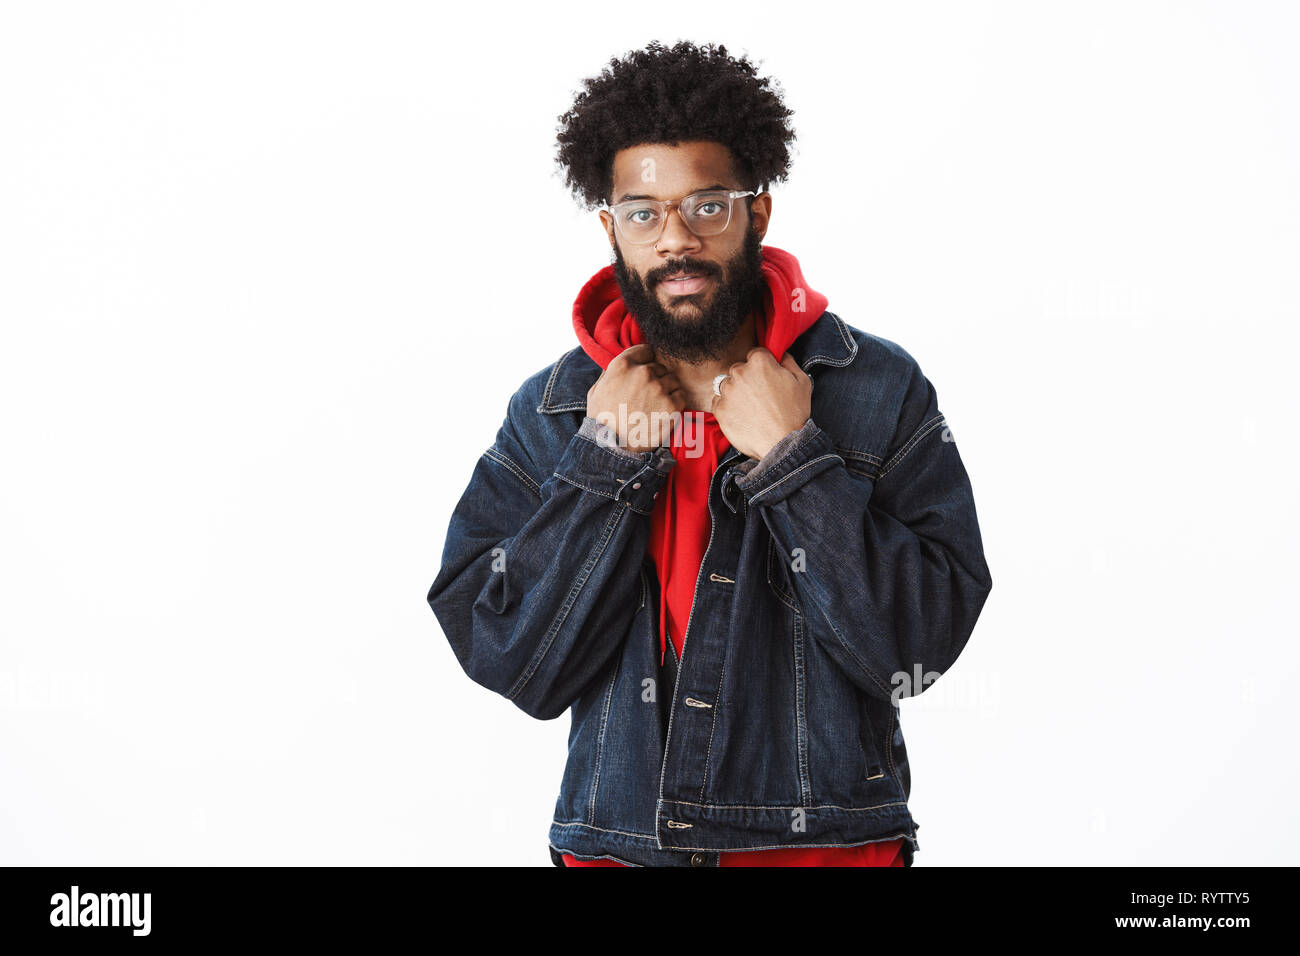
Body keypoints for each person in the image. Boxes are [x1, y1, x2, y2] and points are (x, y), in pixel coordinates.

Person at [427, 40, 992, 867]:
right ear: (610, 226)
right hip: (620, 852)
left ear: (756, 216)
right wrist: (607, 462)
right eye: (644, 212)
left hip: (828, 856)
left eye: (707, 206)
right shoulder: (555, 411)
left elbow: (915, 653)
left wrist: (794, 459)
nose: (675, 241)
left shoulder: (871, 388)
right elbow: (515, 663)